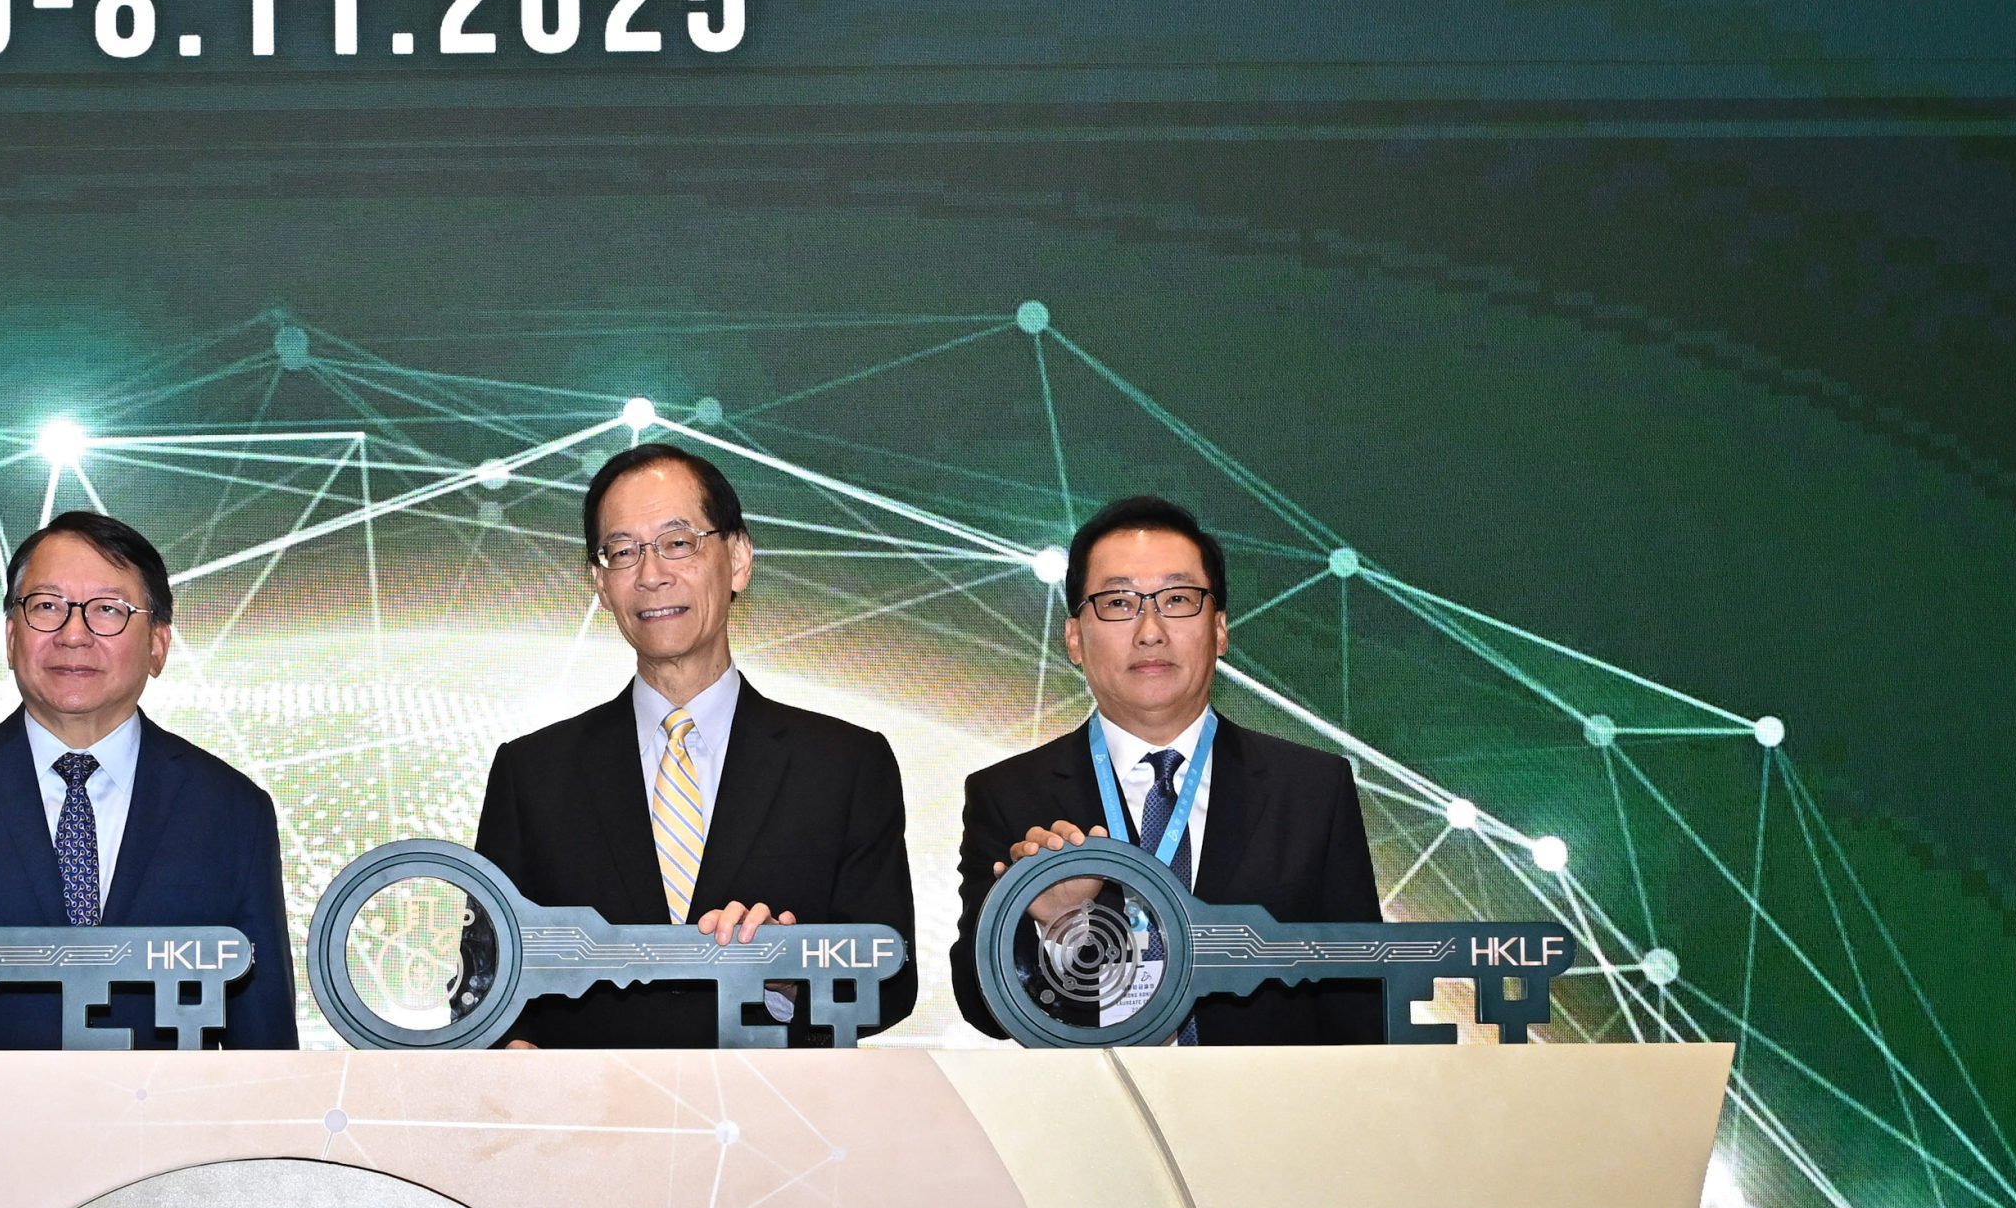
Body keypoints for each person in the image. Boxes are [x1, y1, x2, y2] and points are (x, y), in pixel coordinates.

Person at [464, 440, 920, 1047]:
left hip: (778, 1124)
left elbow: (892, 977)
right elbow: (482, 980)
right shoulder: (533, 772)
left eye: (678, 543)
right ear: (601, 584)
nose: (651, 575)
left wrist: (786, 981)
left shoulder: (844, 765)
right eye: (623, 552)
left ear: (737, 559)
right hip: (588, 1125)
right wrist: (510, 1052)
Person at [0, 511, 298, 1049]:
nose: (73, 634)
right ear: (12, 637)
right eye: (47, 607)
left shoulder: (230, 809)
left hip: (160, 1127)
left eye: (108, 610)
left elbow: (264, 1041)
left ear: (158, 644)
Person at [949, 493, 1383, 1046]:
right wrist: (1052, 926)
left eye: (1177, 599)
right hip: (1094, 1118)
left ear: (1220, 629)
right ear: (1075, 638)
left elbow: (1359, 997)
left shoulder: (1312, 789)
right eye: (1118, 602)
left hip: (1273, 1119)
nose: (1150, 630)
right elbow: (978, 1005)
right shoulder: (1009, 794)